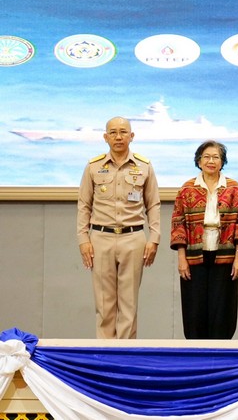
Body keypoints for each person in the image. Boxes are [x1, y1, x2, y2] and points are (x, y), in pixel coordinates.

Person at [77, 116, 161, 339]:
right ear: (105, 137)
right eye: (113, 132)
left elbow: (153, 204)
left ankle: (125, 356)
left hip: (133, 238)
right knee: (104, 306)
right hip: (100, 238)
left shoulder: (144, 166)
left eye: (123, 132)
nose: (118, 137)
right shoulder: (94, 166)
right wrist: (83, 239)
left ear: (132, 136)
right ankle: (104, 356)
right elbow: (84, 205)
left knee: (129, 305)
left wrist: (154, 238)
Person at [170, 140, 238, 339]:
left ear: (222, 162)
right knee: (194, 308)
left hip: (225, 255)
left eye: (216, 157)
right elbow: (178, 223)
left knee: (222, 308)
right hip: (194, 256)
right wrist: (181, 258)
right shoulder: (187, 188)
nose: (211, 161)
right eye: (206, 157)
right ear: (198, 161)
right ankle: (196, 356)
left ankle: (220, 355)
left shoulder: (233, 188)